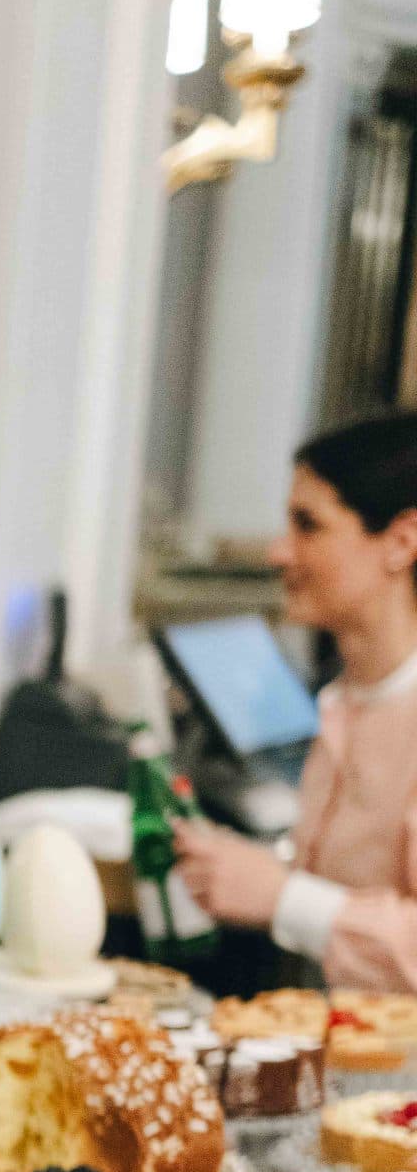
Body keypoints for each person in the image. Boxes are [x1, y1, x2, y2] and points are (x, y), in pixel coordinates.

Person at [173, 411, 417, 987]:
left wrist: (283, 898)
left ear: (401, 542)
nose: (279, 553)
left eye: (308, 525)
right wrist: (250, 871)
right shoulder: (343, 702)